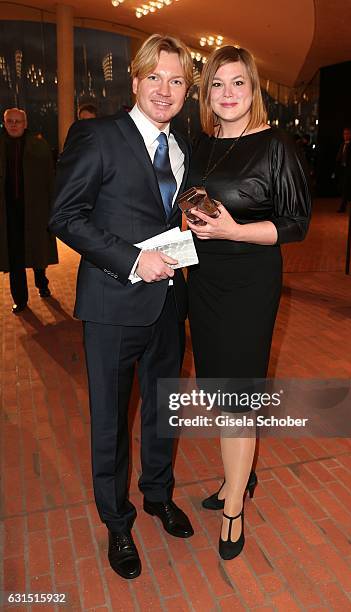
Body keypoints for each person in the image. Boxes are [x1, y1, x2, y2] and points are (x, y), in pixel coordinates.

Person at [49, 34, 194, 580]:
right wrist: (133, 260)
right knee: (110, 421)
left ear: (186, 91)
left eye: (176, 80)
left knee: (163, 410)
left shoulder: (182, 149)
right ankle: (117, 520)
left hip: (168, 305)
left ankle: (157, 495)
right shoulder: (97, 136)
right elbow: (65, 215)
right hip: (113, 302)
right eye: (154, 77)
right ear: (134, 81)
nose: (164, 89)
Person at [185, 46, 311, 560]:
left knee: (239, 395)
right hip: (205, 280)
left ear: (253, 90)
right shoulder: (202, 143)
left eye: (238, 83)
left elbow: (296, 224)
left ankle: (235, 504)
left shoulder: (276, 145)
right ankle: (236, 478)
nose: (228, 94)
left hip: (249, 282)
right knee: (220, 388)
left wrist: (235, 229)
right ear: (207, 93)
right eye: (218, 84)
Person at [0, 108, 58, 314]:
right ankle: (20, 299)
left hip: (36, 210)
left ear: (25, 123)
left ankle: (42, 283)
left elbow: (50, 181)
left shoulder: (39, 146)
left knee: (37, 251)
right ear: (4, 123)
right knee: (14, 257)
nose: (14, 125)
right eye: (10, 121)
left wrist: (54, 208)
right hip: (9, 214)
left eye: (18, 121)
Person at [335, 126, 351, 212]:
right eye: (344, 134)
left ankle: (343, 206)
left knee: (347, 189)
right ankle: (346, 204)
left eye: (347, 134)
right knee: (343, 188)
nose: (346, 135)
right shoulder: (342, 144)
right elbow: (339, 156)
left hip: (350, 170)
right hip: (342, 169)